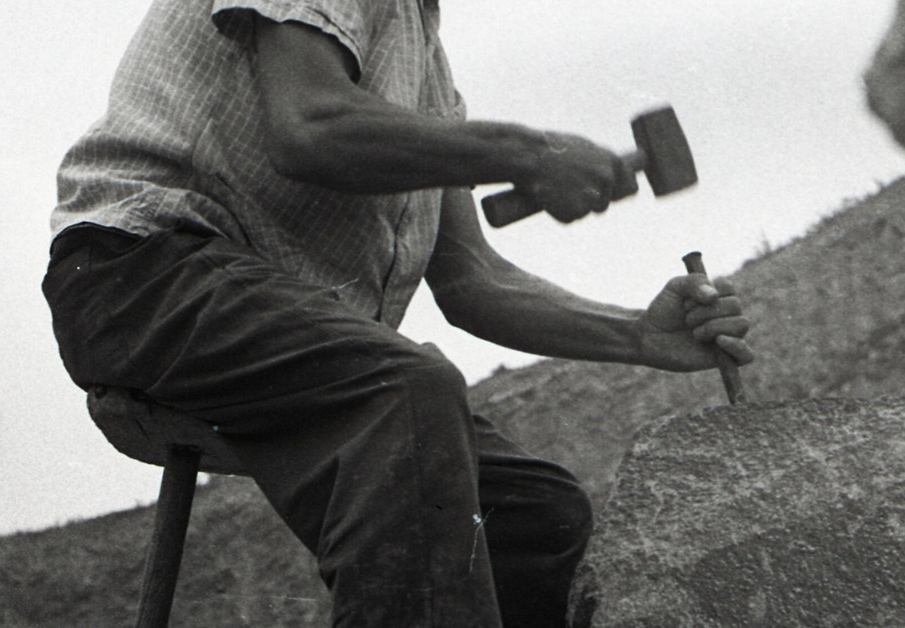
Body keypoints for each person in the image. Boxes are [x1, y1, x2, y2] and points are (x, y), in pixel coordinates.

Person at [42, 0, 753, 625]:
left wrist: (638, 333)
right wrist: (526, 152)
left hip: (263, 313)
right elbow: (311, 126)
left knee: (531, 514)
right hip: (139, 275)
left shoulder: (425, 69)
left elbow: (472, 279)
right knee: (407, 392)